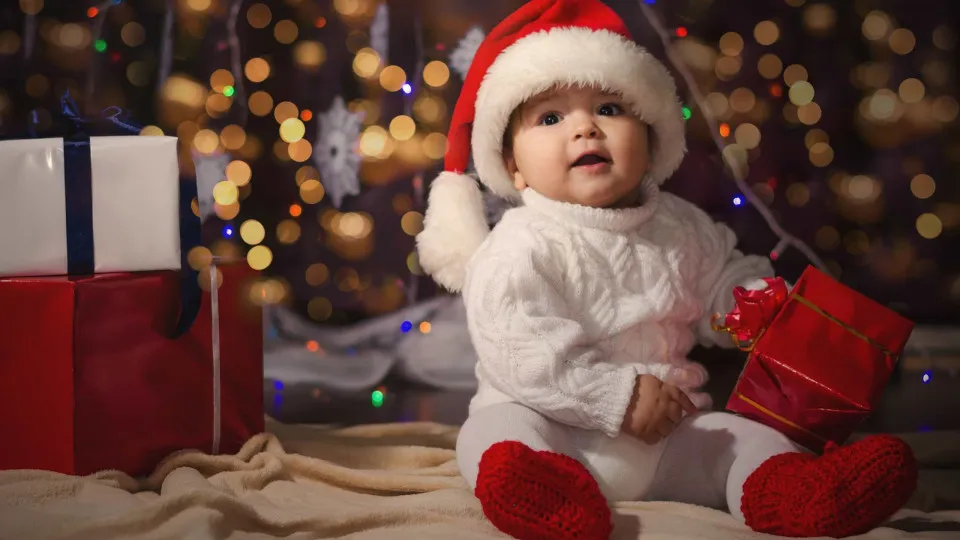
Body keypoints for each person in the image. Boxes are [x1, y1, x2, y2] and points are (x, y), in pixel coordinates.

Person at [415, 1, 918, 539]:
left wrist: (749, 305)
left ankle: (791, 492)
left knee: (738, 437)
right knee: (495, 432)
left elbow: (720, 278)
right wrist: (620, 395)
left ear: (652, 137)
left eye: (609, 108)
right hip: (555, 424)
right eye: (551, 118)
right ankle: (544, 497)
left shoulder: (683, 227)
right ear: (513, 166)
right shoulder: (519, 245)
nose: (585, 128)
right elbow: (523, 353)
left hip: (664, 433)